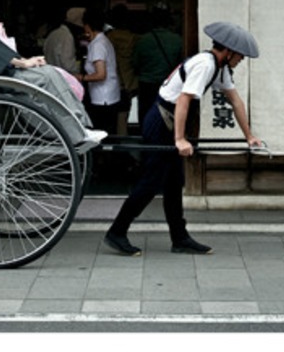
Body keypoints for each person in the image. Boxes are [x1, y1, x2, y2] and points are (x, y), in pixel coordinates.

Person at [104, 22, 262, 257]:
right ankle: (117, 231)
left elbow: (235, 100)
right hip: (161, 120)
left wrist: (249, 136)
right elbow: (184, 100)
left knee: (174, 183)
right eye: (240, 55)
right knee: (151, 181)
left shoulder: (221, 68)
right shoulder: (205, 64)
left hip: (171, 121)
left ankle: (180, 238)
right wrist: (179, 139)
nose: (241, 59)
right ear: (229, 51)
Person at [132, 5, 184, 126]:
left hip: (146, 84)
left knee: (145, 112)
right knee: (165, 114)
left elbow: (135, 62)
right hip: (168, 83)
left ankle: (145, 137)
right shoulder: (177, 40)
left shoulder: (143, 40)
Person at [78, 8, 120, 137]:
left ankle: (103, 157)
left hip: (103, 97)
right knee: (109, 133)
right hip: (110, 94)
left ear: (87, 26)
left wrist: (81, 77)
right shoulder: (103, 41)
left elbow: (101, 74)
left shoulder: (98, 45)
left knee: (101, 133)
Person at [105, 4, 141, 135]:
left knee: (111, 118)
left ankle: (113, 146)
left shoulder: (108, 38)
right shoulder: (135, 39)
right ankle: (123, 142)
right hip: (129, 82)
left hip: (112, 82)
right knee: (124, 115)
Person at [44, 7, 85, 73]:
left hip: (51, 73)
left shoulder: (53, 33)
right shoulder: (67, 37)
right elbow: (68, 65)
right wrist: (81, 69)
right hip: (62, 76)